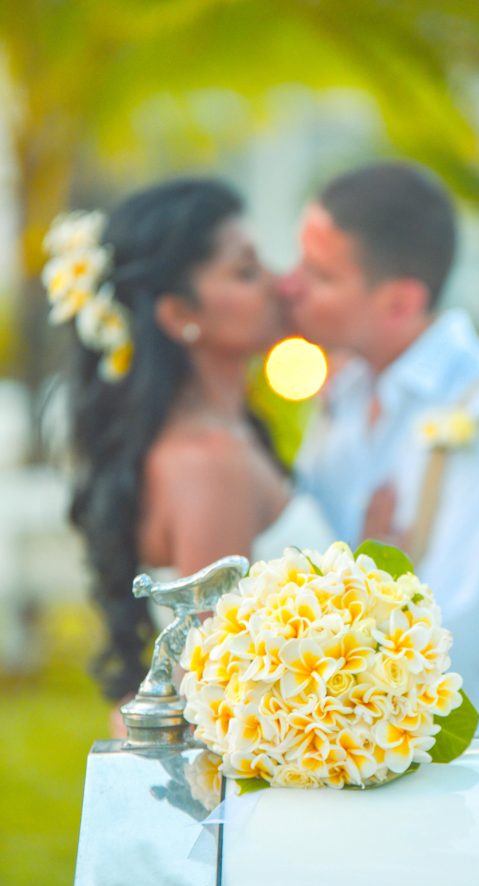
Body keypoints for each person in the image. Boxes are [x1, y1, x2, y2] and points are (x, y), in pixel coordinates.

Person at [283, 161, 479, 731]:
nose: (289, 286)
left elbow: (456, 632)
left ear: (398, 302)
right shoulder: (342, 390)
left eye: (319, 275)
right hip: (346, 750)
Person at [42, 178, 333, 720]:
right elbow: (219, 681)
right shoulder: (209, 463)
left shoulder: (225, 434)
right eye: (245, 272)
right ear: (178, 315)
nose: (278, 283)